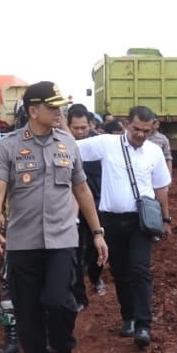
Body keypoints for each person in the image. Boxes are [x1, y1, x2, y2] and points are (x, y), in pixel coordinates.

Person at [0, 81, 108, 353]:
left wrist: (97, 233)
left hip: (62, 239)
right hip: (23, 243)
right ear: (33, 110)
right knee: (28, 315)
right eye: (52, 107)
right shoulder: (8, 146)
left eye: (60, 107)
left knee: (59, 301)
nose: (58, 112)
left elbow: (81, 190)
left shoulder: (68, 143)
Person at [77, 106, 172, 347]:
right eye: (137, 129)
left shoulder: (154, 152)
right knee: (120, 271)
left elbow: (161, 187)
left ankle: (143, 325)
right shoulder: (107, 144)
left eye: (146, 131)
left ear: (153, 129)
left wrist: (166, 219)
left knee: (140, 270)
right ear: (127, 124)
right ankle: (128, 317)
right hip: (110, 220)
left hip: (140, 221)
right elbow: (73, 149)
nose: (141, 134)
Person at [67, 104, 107, 302]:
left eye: (84, 127)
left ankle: (96, 276)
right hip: (69, 206)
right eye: (75, 128)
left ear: (90, 125)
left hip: (96, 204)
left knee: (96, 245)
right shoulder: (61, 146)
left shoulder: (98, 145)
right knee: (73, 247)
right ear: (68, 126)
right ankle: (78, 294)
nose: (80, 132)